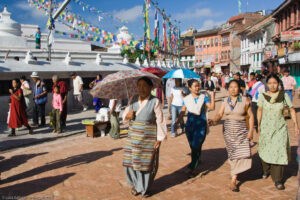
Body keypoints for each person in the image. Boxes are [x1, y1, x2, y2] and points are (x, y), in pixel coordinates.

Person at [122, 77, 167, 198]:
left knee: (144, 165)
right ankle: (137, 185)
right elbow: (124, 119)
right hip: (133, 137)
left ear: (151, 88)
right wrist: (128, 116)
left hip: (148, 139)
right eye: (139, 85)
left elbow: (160, 120)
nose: (141, 88)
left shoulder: (155, 101)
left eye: (144, 86)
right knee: (130, 163)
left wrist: (159, 138)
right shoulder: (132, 99)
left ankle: (144, 189)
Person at [210, 80, 254, 192]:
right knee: (233, 153)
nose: (233, 89)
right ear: (228, 89)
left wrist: (250, 132)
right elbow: (220, 114)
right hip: (228, 130)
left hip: (242, 130)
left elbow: (251, 116)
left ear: (239, 88)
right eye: (230, 87)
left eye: (235, 87)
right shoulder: (225, 101)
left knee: (244, 152)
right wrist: (214, 119)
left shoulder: (245, 100)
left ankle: (234, 176)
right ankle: (234, 179)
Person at [257, 74, 299, 190]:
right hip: (266, 128)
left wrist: (296, 125)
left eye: (274, 83)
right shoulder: (263, 96)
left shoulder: (284, 95)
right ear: (267, 84)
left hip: (280, 128)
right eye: (270, 83)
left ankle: (278, 179)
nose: (272, 85)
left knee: (279, 152)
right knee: (264, 149)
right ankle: (266, 170)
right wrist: (258, 125)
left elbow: (291, 109)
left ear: (279, 84)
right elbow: (259, 110)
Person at [176, 79, 215, 177]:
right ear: (190, 88)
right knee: (193, 145)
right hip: (190, 125)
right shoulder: (187, 99)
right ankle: (196, 159)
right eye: (195, 86)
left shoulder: (203, 97)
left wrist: (213, 96)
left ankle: (192, 167)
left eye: (198, 86)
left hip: (201, 125)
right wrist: (177, 122)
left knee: (196, 145)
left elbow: (212, 107)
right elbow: (183, 111)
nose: (197, 88)